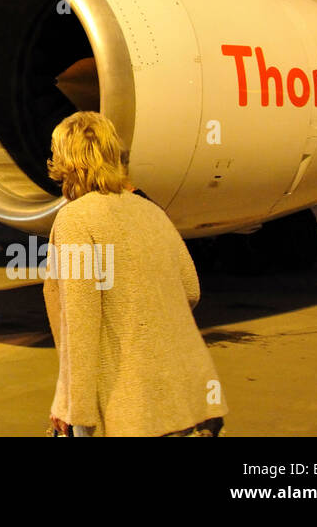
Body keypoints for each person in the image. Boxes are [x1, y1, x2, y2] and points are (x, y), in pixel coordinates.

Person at [43, 111, 228, 437]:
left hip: (132, 405)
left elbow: (82, 322)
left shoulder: (75, 220)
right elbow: (190, 289)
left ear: (66, 162)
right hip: (188, 397)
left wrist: (74, 408)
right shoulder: (150, 211)